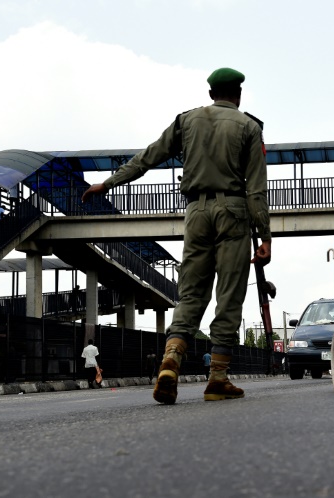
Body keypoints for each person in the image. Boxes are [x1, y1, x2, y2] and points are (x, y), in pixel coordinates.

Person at [82, 67, 271, 404]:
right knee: (228, 294)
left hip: (195, 213)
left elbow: (146, 158)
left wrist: (107, 184)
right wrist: (265, 236)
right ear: (238, 94)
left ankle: (171, 359)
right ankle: (217, 378)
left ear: (211, 92)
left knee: (191, 294)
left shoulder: (186, 122)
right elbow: (256, 190)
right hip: (233, 213)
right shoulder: (249, 127)